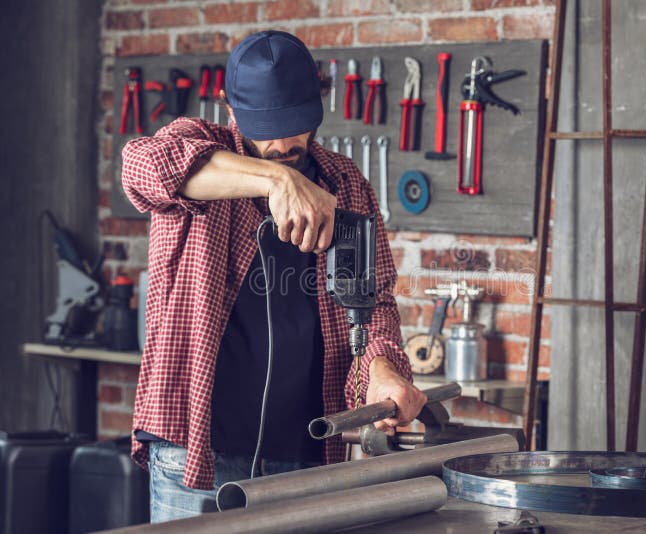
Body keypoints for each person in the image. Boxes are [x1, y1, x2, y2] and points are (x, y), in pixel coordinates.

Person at [120, 30, 427, 523]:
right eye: (268, 128)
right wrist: (280, 179)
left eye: (296, 126)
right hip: (197, 451)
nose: (284, 144)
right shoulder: (196, 148)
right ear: (231, 109)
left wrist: (383, 372)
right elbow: (141, 165)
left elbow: (373, 310)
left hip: (305, 454)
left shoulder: (346, 185)